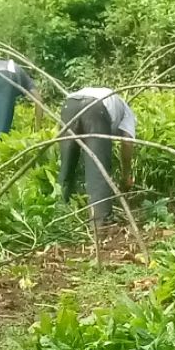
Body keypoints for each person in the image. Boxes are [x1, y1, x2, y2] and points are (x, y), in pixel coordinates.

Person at [57, 86, 137, 244]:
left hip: (69, 105)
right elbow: (127, 142)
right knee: (98, 167)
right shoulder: (128, 114)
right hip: (96, 109)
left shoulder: (116, 103)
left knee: (66, 165)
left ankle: (60, 213)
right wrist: (126, 174)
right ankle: (101, 225)